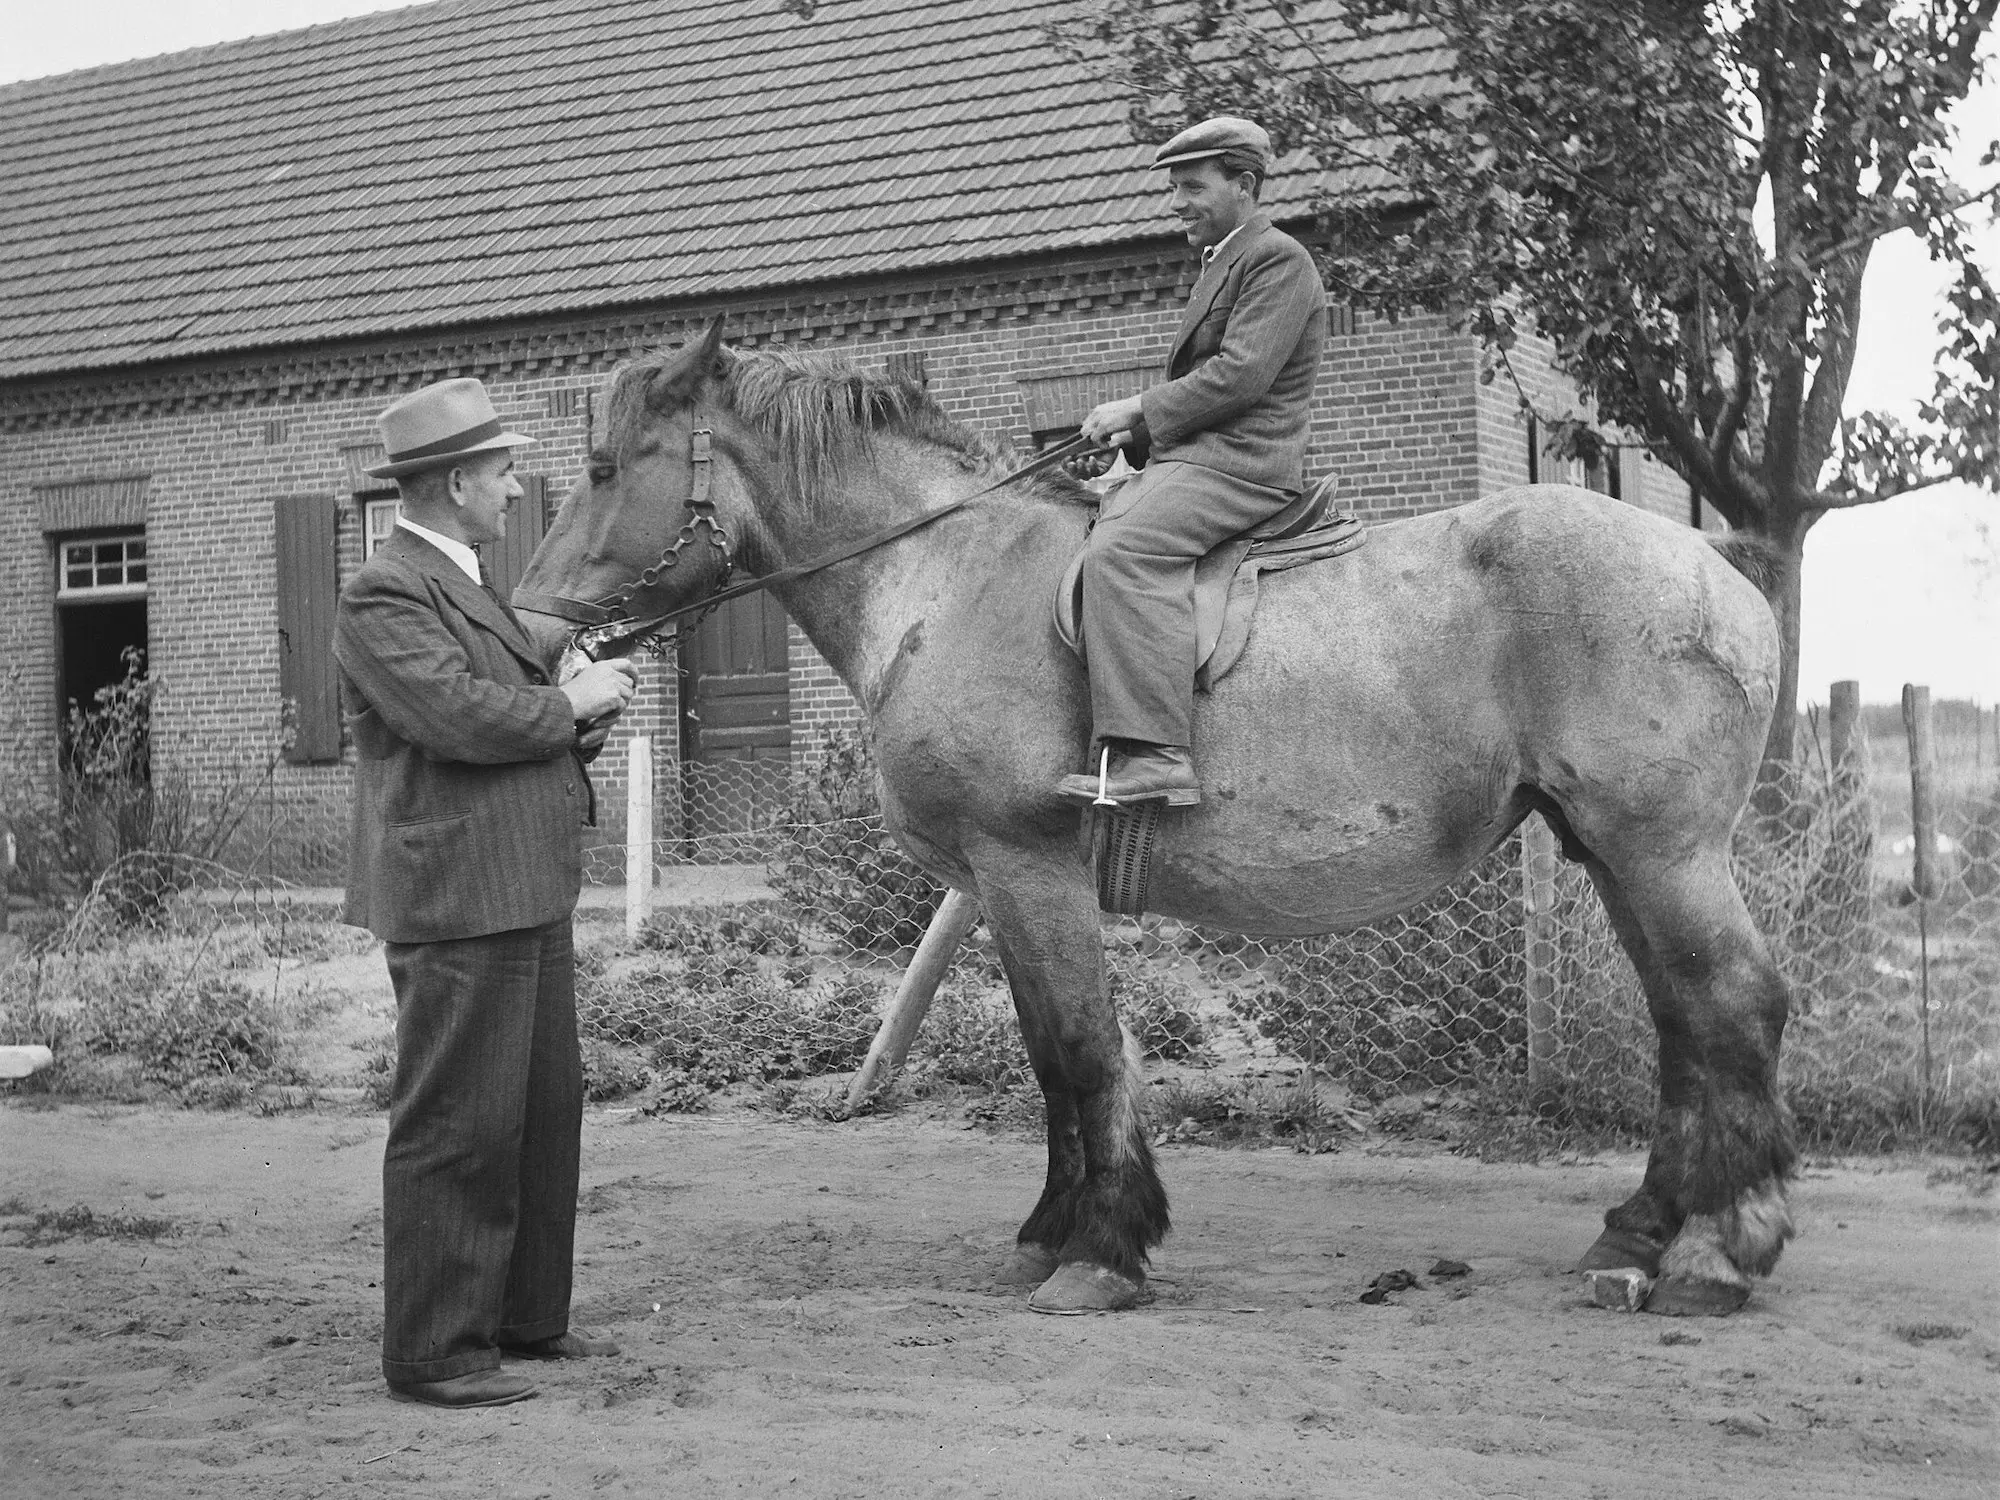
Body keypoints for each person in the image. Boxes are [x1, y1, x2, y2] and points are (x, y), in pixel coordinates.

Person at [335, 377, 640, 1409]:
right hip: (459, 892)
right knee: (459, 1121)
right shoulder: (384, 589)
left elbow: (502, 711)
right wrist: (565, 704)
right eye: (504, 472)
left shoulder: (460, 580)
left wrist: (574, 711)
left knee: (542, 1113)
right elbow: (455, 718)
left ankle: (521, 1320)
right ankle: (434, 1351)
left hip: (519, 882)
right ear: (458, 481)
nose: (516, 490)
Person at [1057, 116, 1327, 807]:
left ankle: (1155, 756)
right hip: (1206, 455)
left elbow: (1241, 377)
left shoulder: (1278, 259)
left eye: (1192, 187)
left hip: (1243, 465)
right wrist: (1138, 445)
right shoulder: (1222, 261)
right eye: (1175, 187)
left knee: (1120, 552)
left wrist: (1140, 411)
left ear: (1245, 184)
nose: (1177, 202)